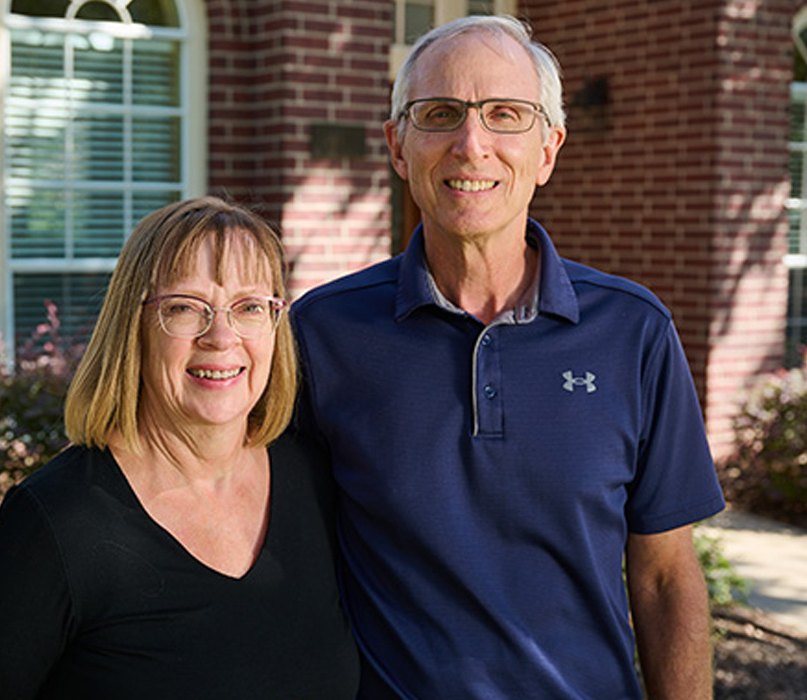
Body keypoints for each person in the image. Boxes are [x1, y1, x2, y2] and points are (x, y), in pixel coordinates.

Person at [290, 15, 725, 700]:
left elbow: (667, 576)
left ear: (548, 150)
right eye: (440, 114)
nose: (472, 144)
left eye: (505, 115)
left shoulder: (633, 331)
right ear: (398, 148)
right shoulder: (323, 332)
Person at [0, 197, 359, 699]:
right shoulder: (54, 525)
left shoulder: (312, 477)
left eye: (249, 308)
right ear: (133, 328)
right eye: (184, 308)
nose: (221, 336)